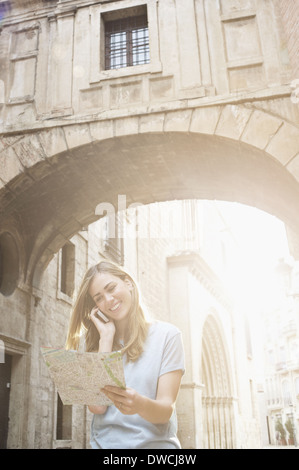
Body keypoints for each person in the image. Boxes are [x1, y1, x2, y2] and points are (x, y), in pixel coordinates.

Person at [65, 260, 185, 449]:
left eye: (111, 288)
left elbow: (165, 411)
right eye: (99, 298)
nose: (108, 300)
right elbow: (97, 407)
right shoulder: (94, 345)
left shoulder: (168, 336)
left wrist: (140, 404)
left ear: (128, 283)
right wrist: (105, 338)